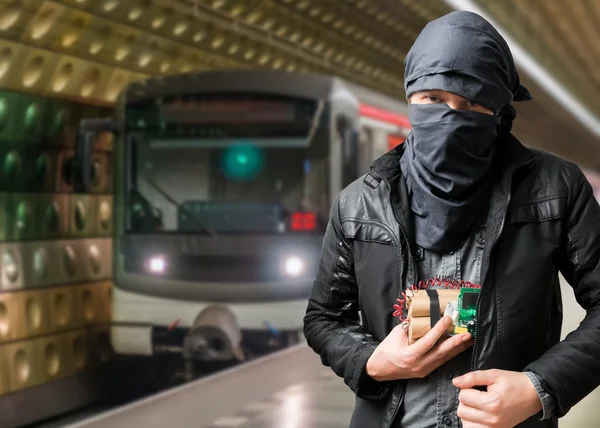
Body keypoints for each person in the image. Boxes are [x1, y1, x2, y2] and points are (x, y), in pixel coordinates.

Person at [303, 10, 600, 428]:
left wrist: (539, 388)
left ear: (498, 110)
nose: (451, 116)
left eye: (473, 103)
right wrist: (371, 361)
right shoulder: (359, 203)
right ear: (410, 96)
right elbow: (323, 318)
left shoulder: (555, 188)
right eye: (434, 99)